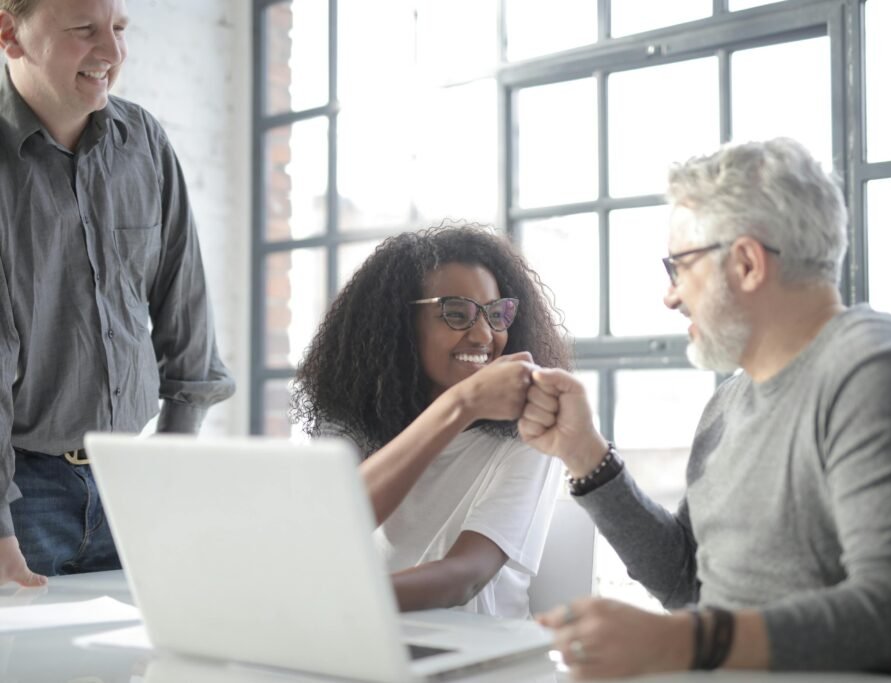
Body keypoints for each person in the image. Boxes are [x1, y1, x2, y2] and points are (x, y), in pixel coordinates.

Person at [518, 138, 891, 681]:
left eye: (678, 267)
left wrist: (681, 642)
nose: (670, 296)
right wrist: (582, 451)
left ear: (748, 263)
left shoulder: (877, 373)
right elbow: (688, 582)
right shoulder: (727, 402)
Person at [0, 0, 235, 585]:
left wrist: (171, 464)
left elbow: (186, 311)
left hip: (134, 484)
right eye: (84, 31)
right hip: (20, 498)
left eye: (120, 29)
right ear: (10, 34)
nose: (111, 52)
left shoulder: (145, 143)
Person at [292, 224, 571, 618]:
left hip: (481, 654)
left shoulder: (531, 429)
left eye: (497, 314)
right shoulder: (350, 418)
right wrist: (460, 405)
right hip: (370, 636)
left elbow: (464, 578)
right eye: (456, 313)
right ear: (398, 322)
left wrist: (341, 601)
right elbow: (333, 524)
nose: (484, 335)